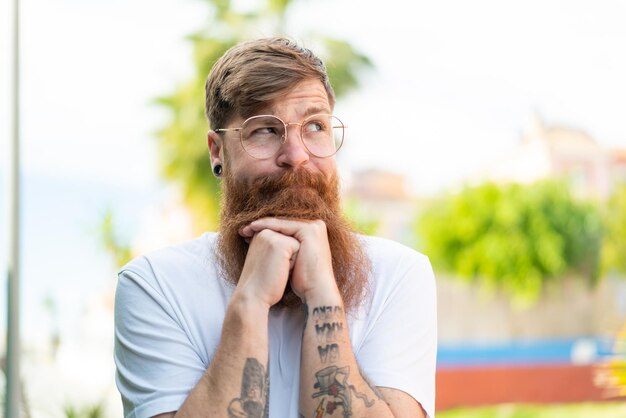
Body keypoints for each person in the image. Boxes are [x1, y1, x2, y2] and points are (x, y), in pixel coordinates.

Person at [114, 37, 437, 418]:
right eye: (265, 130)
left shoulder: (398, 274)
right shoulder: (154, 285)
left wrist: (322, 294)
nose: (296, 155)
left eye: (315, 126)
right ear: (217, 151)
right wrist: (250, 302)